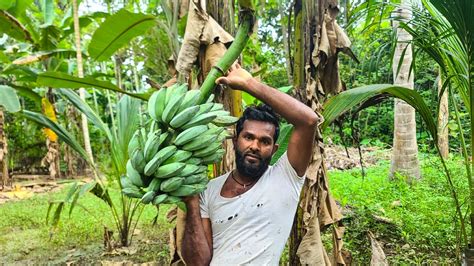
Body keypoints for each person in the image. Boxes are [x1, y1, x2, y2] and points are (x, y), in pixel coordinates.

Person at [181, 64, 318, 265]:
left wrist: (249, 84)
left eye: (265, 141)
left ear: (274, 148)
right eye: (248, 137)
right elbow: (197, 262)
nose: (255, 146)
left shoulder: (285, 177)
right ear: (236, 140)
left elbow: (308, 121)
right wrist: (191, 203)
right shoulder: (209, 189)